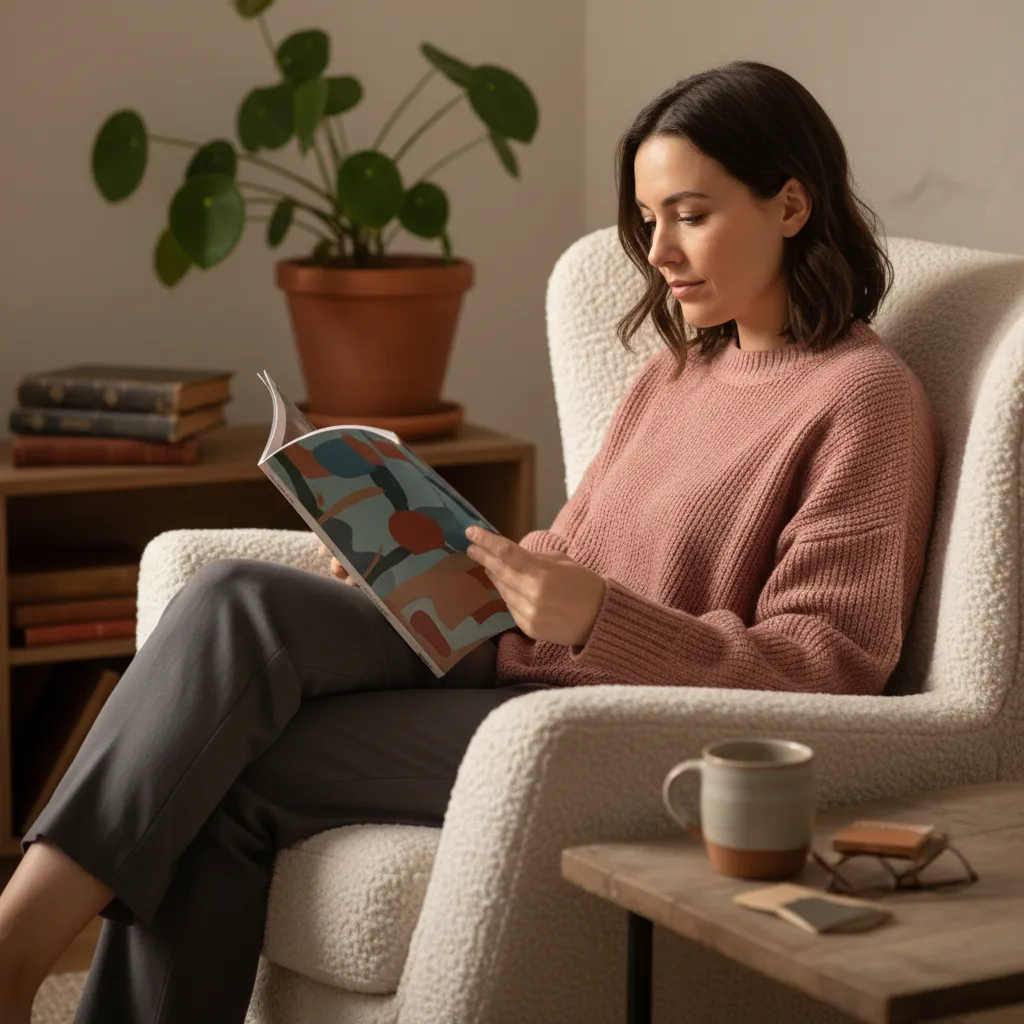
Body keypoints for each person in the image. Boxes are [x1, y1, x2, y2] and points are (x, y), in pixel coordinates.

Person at [0, 58, 941, 1023]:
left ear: (791, 204)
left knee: (214, 777)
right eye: (649, 220)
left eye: (690, 215)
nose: (659, 252)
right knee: (237, 599)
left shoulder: (864, 401)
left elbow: (829, 672)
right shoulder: (678, 373)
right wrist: (431, 562)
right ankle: (14, 945)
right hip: (517, 659)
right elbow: (580, 548)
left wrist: (599, 618)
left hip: (610, 732)